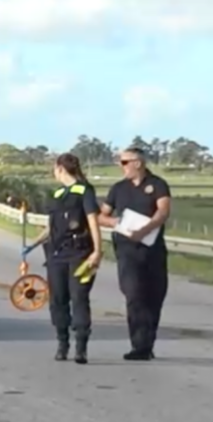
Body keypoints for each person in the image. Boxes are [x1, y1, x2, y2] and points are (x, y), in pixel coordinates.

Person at [25, 153, 103, 363]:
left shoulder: (85, 191)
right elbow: (50, 228)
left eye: (54, 168)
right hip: (57, 254)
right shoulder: (57, 195)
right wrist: (32, 244)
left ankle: (81, 347)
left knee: (79, 297)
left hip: (81, 253)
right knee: (58, 300)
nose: (53, 173)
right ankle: (62, 342)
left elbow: (93, 221)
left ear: (60, 169)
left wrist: (97, 251)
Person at [98, 147, 171, 361]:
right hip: (127, 251)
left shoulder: (157, 185)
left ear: (137, 163)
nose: (121, 167)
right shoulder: (118, 189)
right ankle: (138, 345)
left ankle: (147, 344)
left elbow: (163, 211)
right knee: (134, 294)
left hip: (153, 248)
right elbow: (102, 216)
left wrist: (145, 230)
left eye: (124, 162)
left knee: (154, 296)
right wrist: (115, 222)